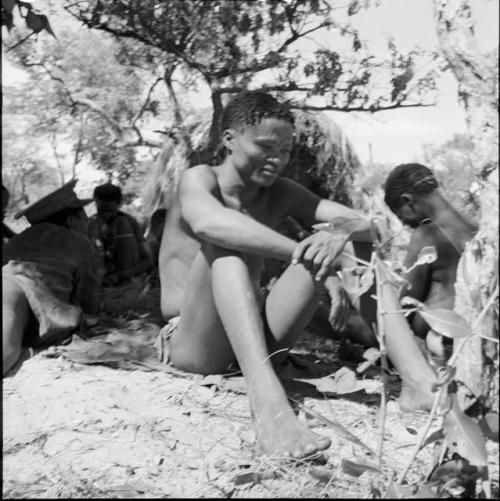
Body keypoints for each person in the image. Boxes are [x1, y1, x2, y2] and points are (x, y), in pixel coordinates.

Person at [157, 90, 381, 460]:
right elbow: (211, 223)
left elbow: (367, 225)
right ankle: (269, 410)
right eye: (265, 146)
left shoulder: (281, 192)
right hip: (194, 344)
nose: (277, 159)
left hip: (256, 338)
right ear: (229, 140)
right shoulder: (200, 179)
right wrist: (302, 251)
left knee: (351, 241)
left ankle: (414, 375)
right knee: (226, 244)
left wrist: (333, 236)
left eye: (286, 150)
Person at [3, 179, 102, 376]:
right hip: (19, 294)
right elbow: (89, 303)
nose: (87, 221)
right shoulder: (81, 243)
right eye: (83, 217)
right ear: (72, 221)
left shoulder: (17, 239)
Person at [384, 163, 478, 362]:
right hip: (471, 336)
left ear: (407, 201)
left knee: (356, 326)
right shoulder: (474, 228)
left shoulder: (426, 234)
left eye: (401, 217)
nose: (405, 225)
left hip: (437, 342)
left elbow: (405, 305)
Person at [89, 183, 152, 287]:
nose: (106, 215)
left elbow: (148, 261)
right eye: (102, 210)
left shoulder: (128, 222)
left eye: (110, 210)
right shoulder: (91, 223)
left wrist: (121, 275)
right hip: (100, 280)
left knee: (121, 223)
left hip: (127, 280)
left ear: (119, 204)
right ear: (95, 203)